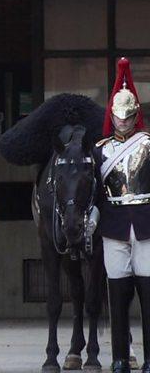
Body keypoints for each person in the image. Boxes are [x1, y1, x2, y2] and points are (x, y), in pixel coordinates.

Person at [94, 57, 150, 373]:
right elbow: (95, 192)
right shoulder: (100, 150)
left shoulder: (147, 144)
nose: (123, 122)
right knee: (116, 297)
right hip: (114, 224)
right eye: (119, 117)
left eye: (128, 117)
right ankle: (118, 357)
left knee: (148, 296)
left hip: (145, 222)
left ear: (135, 115)